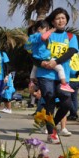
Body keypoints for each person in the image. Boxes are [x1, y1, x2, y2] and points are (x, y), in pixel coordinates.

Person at [32, 8, 78, 144]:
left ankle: (51, 127)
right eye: (58, 18)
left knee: (67, 103)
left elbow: (72, 51)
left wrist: (56, 62)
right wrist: (42, 63)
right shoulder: (46, 35)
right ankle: (51, 134)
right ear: (53, 21)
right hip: (45, 74)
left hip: (63, 75)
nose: (61, 20)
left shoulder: (71, 37)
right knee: (50, 99)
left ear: (66, 20)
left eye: (63, 18)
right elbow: (34, 55)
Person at [25, 20, 74, 92]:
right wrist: (50, 31)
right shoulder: (39, 35)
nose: (47, 32)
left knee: (34, 68)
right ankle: (64, 84)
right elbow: (43, 37)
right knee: (60, 68)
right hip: (45, 57)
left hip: (37, 57)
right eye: (46, 29)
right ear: (39, 29)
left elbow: (27, 47)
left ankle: (31, 82)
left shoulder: (31, 37)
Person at [68, 53, 79, 120]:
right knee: (74, 98)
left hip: (71, 78)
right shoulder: (77, 55)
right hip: (77, 79)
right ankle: (73, 114)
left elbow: (68, 67)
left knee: (68, 98)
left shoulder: (69, 55)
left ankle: (73, 113)